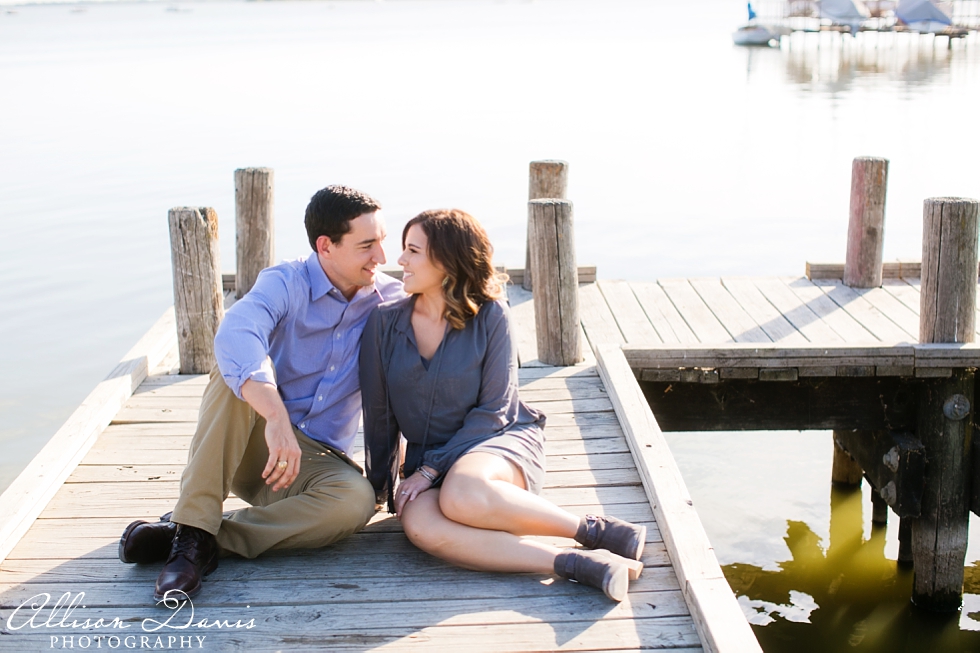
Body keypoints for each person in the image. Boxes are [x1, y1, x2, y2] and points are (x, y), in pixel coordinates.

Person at [118, 185, 405, 601]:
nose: (381, 257)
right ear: (325, 246)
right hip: (250, 444)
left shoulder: (390, 302)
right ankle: (195, 526)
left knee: (355, 502)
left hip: (311, 466)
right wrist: (274, 416)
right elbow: (238, 333)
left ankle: (194, 540)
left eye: (382, 241)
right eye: (367, 245)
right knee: (234, 375)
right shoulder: (284, 281)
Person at [359, 209, 646, 602]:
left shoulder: (491, 315)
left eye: (413, 251)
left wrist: (430, 469)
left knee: (462, 494)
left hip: (497, 441)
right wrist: (380, 488)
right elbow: (379, 415)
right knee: (422, 529)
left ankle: (594, 530)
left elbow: (496, 410)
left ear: (446, 261)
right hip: (427, 457)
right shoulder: (383, 323)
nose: (401, 261)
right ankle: (577, 565)